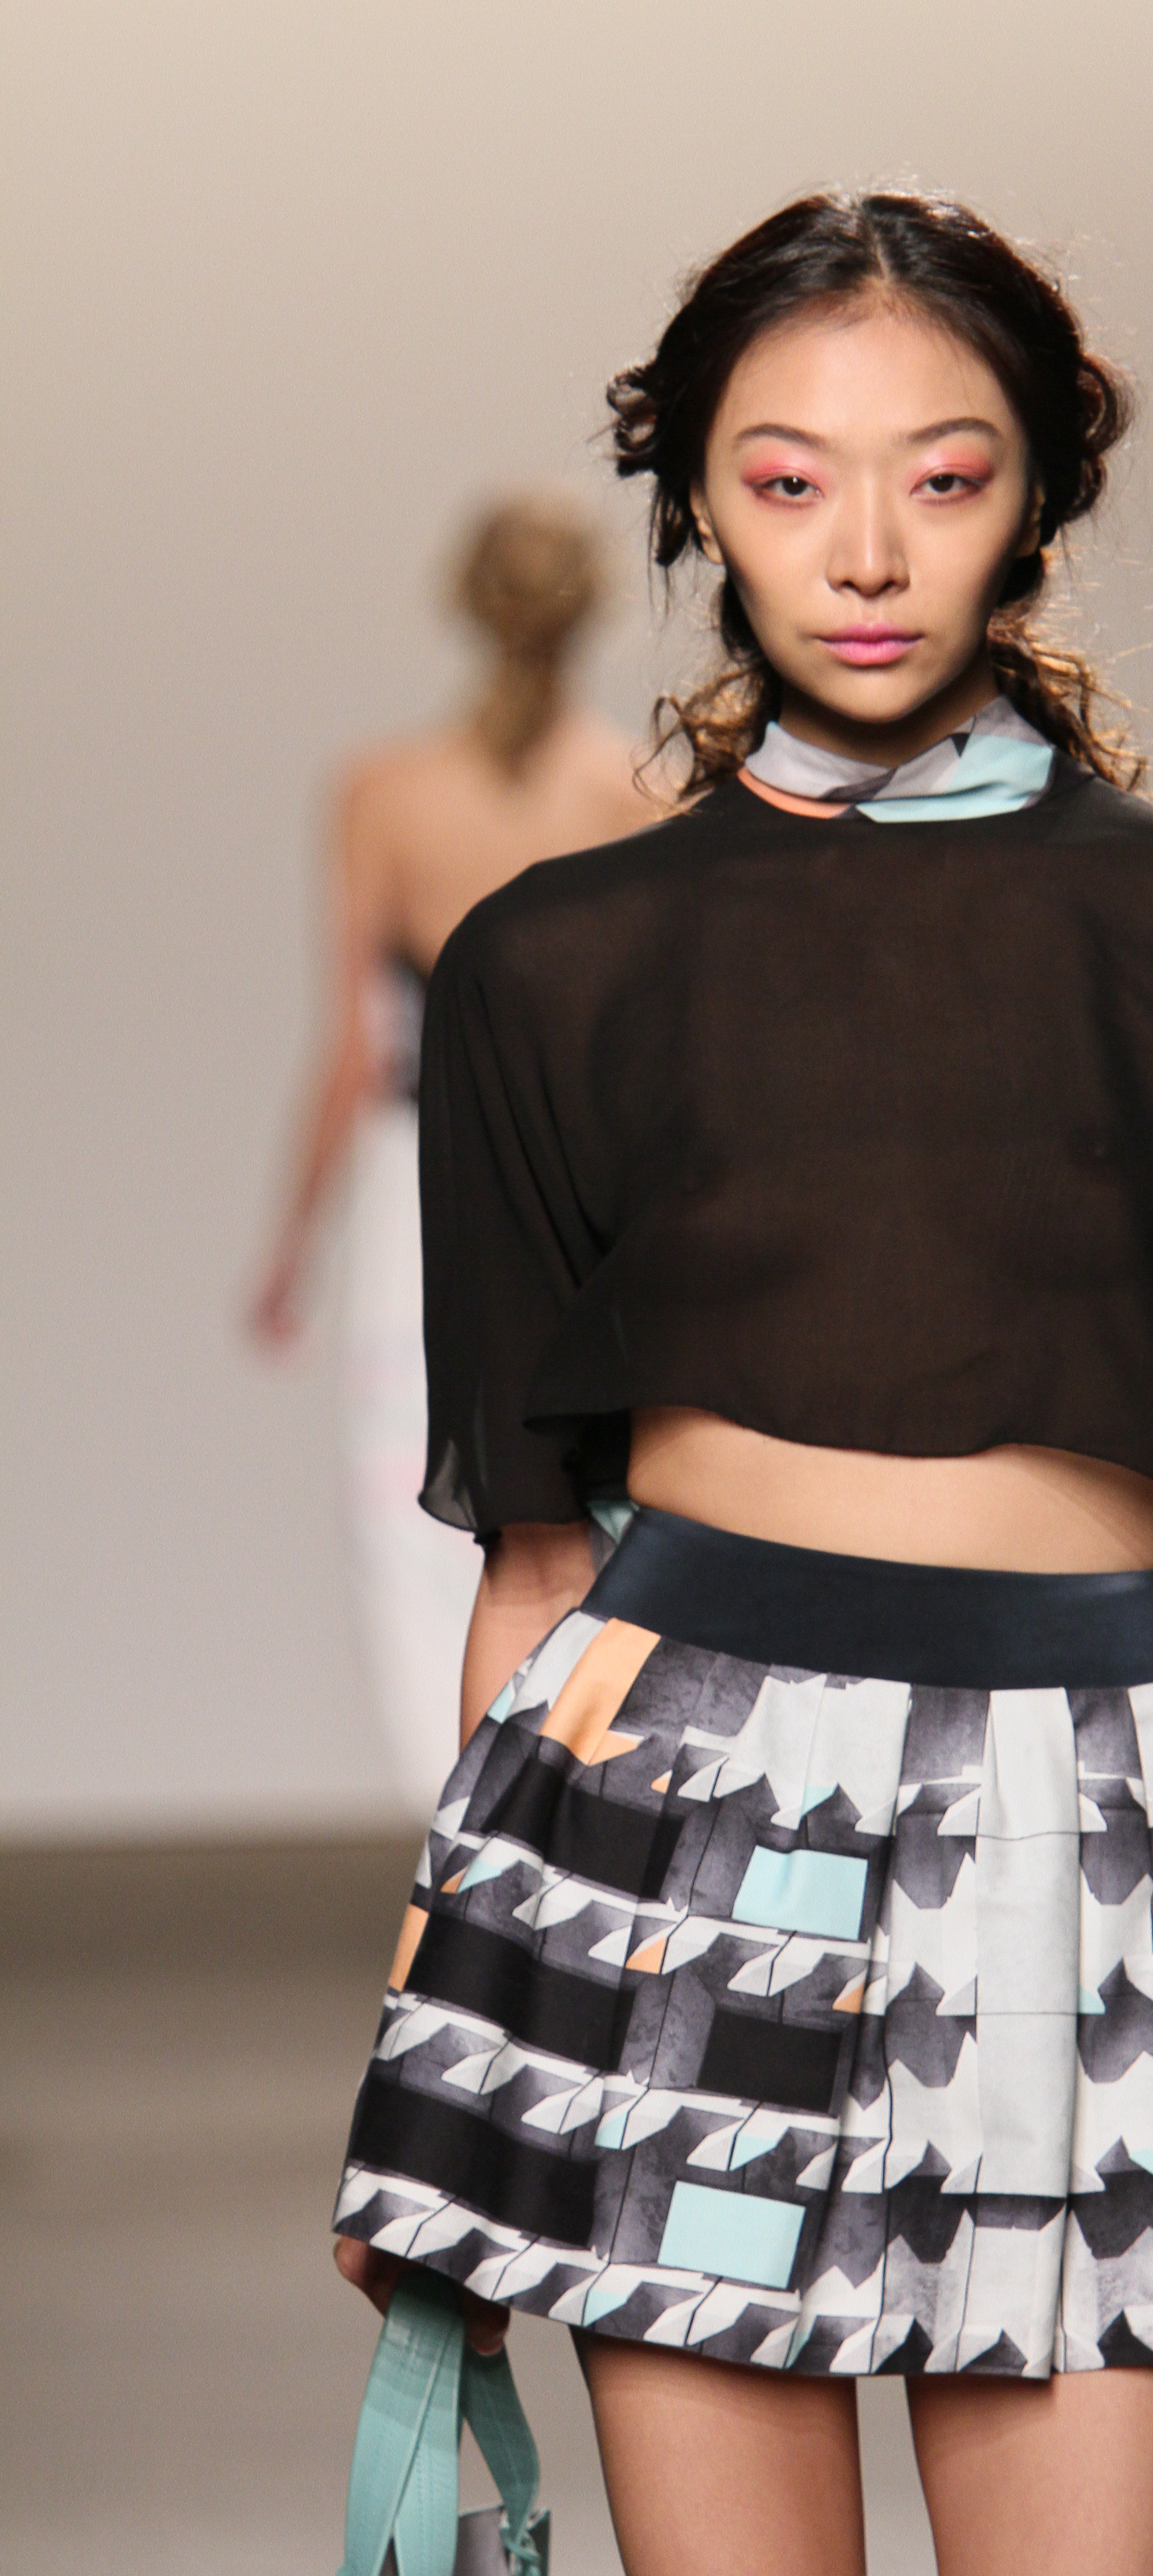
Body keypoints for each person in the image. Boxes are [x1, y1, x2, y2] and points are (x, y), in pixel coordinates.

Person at [330, 194, 1153, 2576]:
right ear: (695, 503)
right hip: (664, 1852)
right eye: (788, 480)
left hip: (1092, 1854)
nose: (869, 552)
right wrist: (440, 2038)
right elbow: (541, 1569)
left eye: (945, 473)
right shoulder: (550, 970)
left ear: (1039, 499)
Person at [248, 499, 655, 1812]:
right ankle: (575, 1816)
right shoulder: (641, 792)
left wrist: (291, 1251)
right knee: (596, 1502)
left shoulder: (381, 794)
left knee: (412, 1512)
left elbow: (356, 1049)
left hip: (419, 1192)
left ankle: (463, 1829)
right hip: (590, 1190)